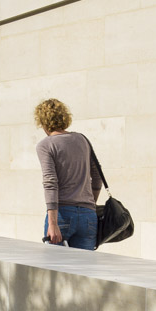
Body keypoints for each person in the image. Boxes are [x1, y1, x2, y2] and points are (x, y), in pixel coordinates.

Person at [34, 98, 101, 250]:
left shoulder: (46, 145)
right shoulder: (82, 140)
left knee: (54, 270)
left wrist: (52, 223)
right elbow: (96, 176)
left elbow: (50, 182)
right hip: (88, 216)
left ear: (43, 121)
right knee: (83, 272)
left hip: (62, 215)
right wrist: (90, 204)